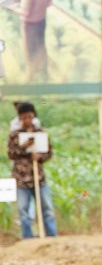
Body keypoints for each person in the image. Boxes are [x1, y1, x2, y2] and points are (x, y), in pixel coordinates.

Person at [8, 101, 57, 238]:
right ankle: (28, 239)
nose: (26, 120)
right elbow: (11, 154)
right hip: (21, 180)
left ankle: (51, 237)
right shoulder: (14, 135)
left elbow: (49, 153)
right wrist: (23, 147)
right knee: (23, 211)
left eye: (29, 117)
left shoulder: (40, 133)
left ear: (33, 116)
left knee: (47, 209)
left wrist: (40, 157)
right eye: (23, 117)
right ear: (20, 118)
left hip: (39, 178)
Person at [19, 0, 51, 81]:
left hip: (29, 26)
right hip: (41, 21)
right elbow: (49, 3)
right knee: (41, 47)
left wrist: (12, 8)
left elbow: (25, 12)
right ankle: (44, 74)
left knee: (29, 51)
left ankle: (30, 77)